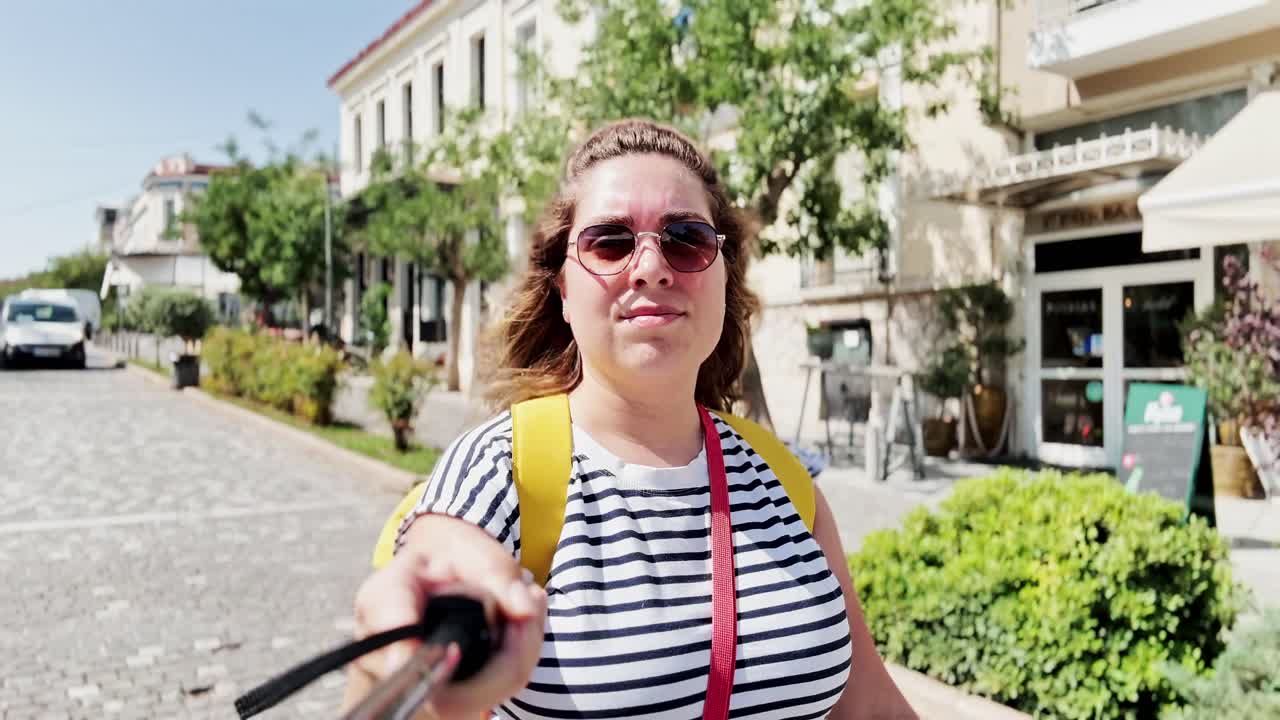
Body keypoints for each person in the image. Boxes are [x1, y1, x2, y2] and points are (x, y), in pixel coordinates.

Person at [341, 119, 918, 720]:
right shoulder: (498, 468)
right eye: (610, 241)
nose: (650, 266)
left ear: (724, 275)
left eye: (686, 238)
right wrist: (398, 654)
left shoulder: (783, 478)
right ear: (562, 287)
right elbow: (442, 567)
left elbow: (870, 706)